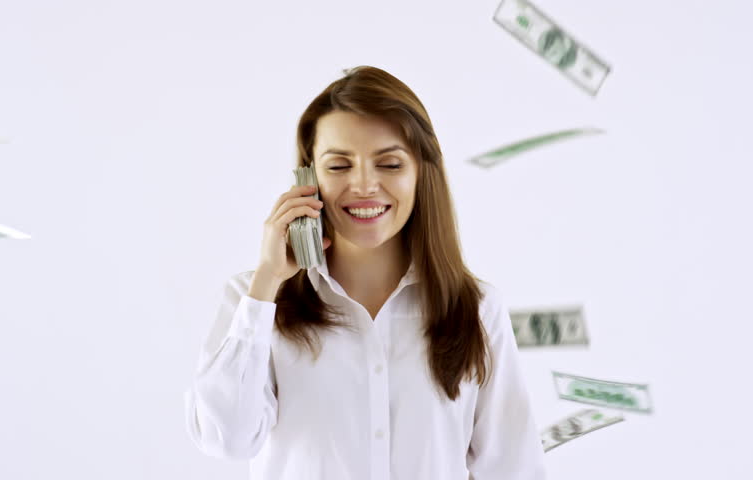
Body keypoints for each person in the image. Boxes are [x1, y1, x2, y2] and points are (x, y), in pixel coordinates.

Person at [183, 66, 547, 480]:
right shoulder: (254, 300)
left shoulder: (476, 308)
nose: (364, 186)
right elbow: (226, 438)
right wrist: (266, 283)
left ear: (421, 173)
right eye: (338, 166)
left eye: (389, 164)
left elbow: (514, 468)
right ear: (308, 178)